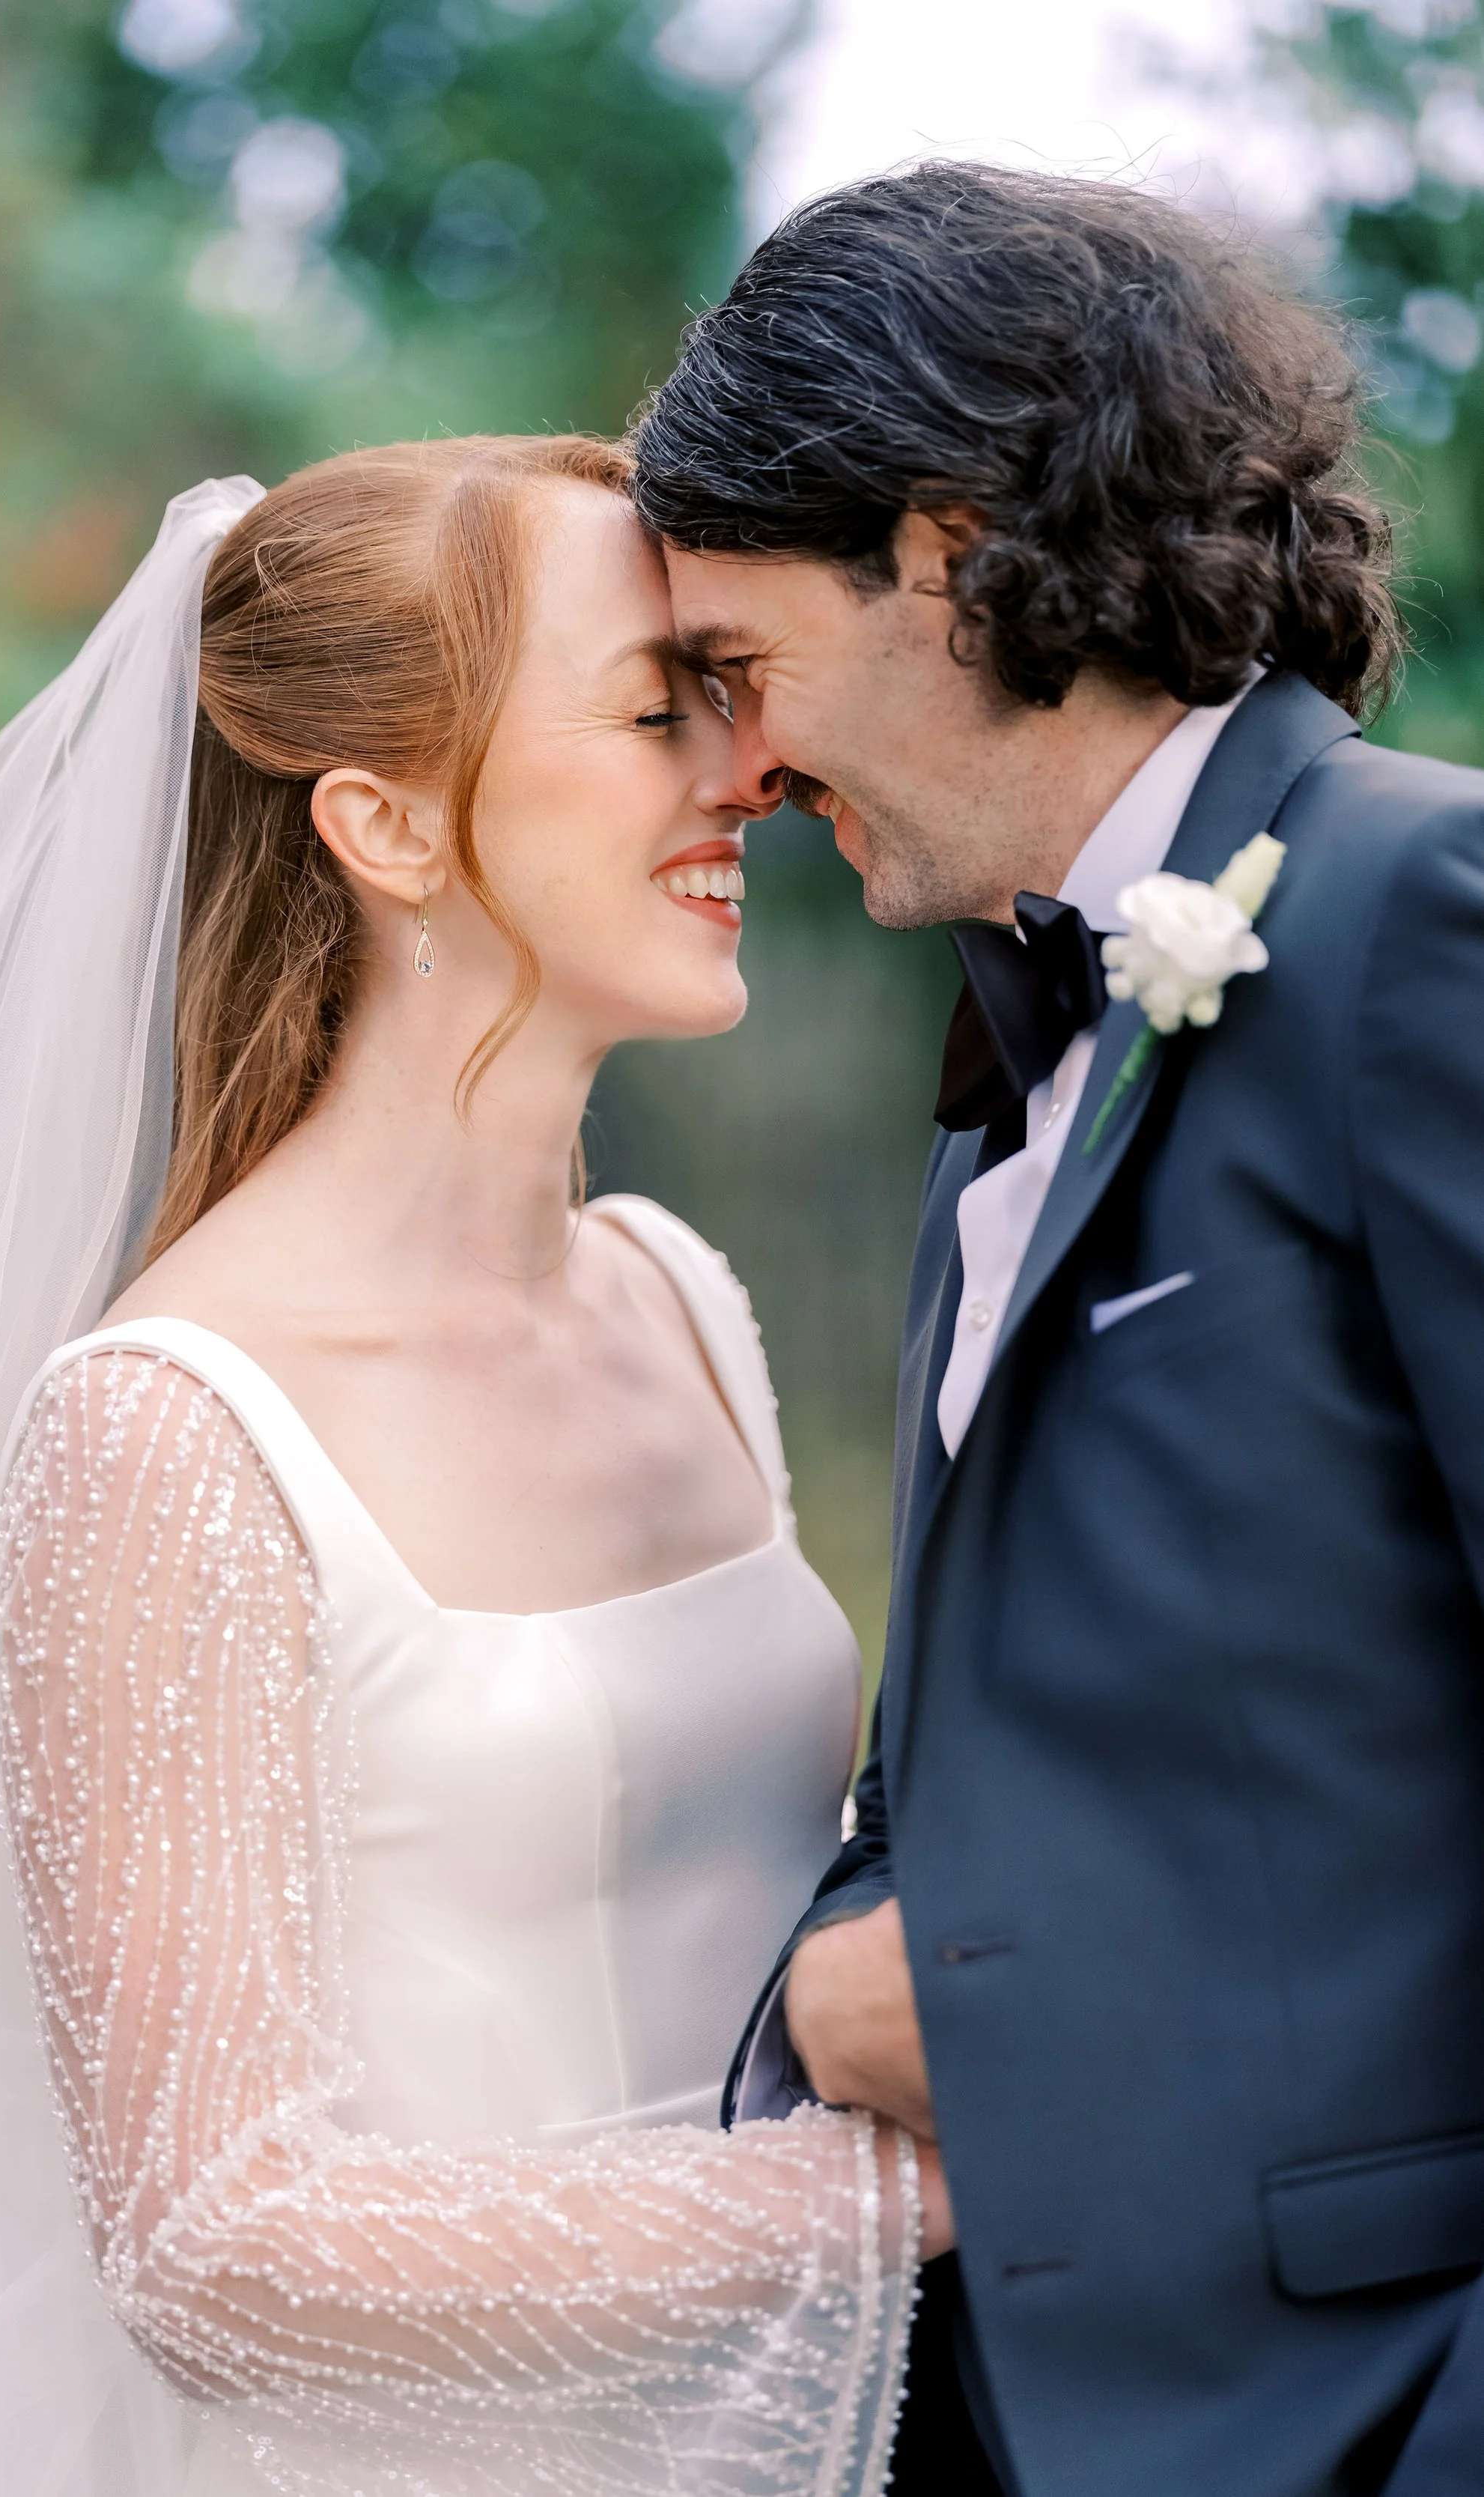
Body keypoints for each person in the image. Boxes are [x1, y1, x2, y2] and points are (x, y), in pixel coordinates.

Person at [0, 434, 937, 2497]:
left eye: (729, 697)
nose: (743, 771)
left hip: (809, 2436)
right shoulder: (172, 1430)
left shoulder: (675, 1297)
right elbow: (216, 2246)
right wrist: (901, 2192)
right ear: (385, 820)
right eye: (651, 710)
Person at [633, 161, 1484, 2497]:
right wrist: (849, 1952)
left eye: (735, 667)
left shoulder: (1423, 919)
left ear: (938, 550)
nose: (735, 766)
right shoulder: (1011, 1055)